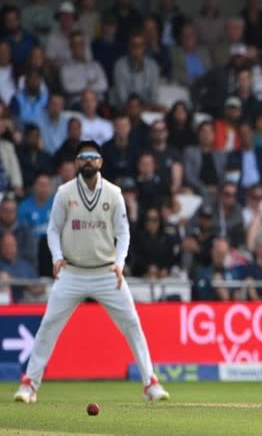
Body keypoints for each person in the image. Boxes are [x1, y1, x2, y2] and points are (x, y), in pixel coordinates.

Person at [13, 140, 169, 403]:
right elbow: (53, 229)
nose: (88, 161)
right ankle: (29, 385)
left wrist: (119, 263)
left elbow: (123, 233)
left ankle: (150, 383)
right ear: (76, 162)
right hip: (72, 272)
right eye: (83, 156)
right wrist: (57, 257)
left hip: (106, 272)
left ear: (101, 162)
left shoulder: (113, 193)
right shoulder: (64, 192)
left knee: (132, 324)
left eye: (92, 157)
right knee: (49, 325)